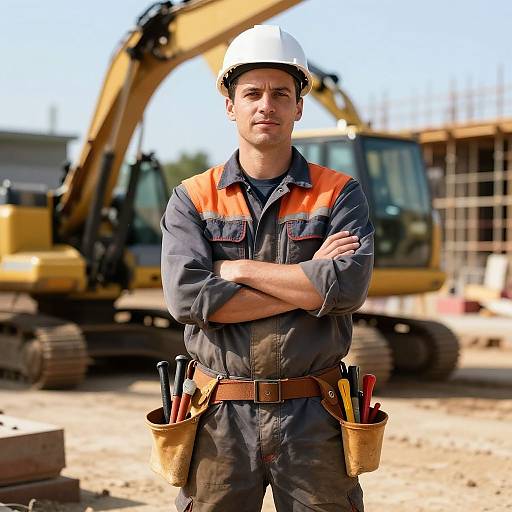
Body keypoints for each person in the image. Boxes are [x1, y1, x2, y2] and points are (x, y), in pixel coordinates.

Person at [161, 24, 373, 512]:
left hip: (314, 415)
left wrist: (237, 269)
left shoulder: (340, 193)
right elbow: (190, 300)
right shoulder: (192, 199)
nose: (266, 105)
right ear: (230, 105)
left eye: (281, 93)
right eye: (252, 92)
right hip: (218, 418)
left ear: (299, 106)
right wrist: (308, 280)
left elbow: (346, 288)